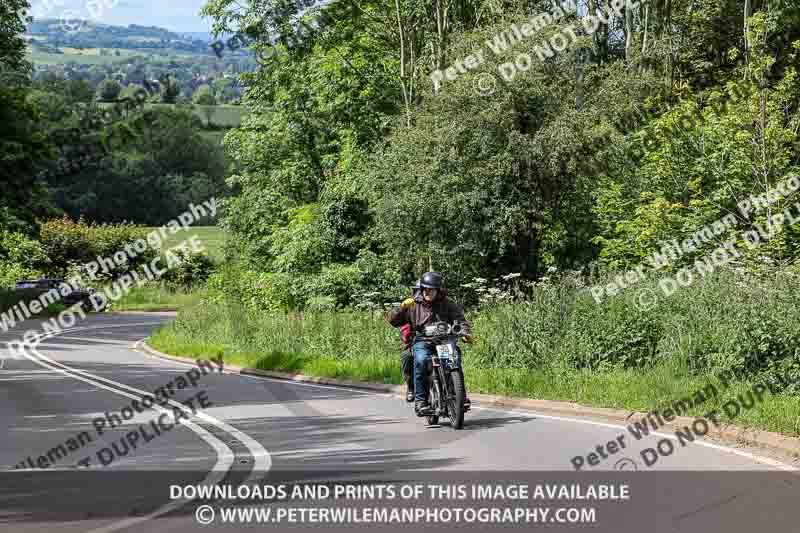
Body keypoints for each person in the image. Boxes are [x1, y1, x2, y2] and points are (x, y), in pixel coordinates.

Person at [387, 271, 472, 416]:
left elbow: (461, 320)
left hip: (444, 340)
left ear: (437, 290)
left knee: (454, 360)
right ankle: (421, 402)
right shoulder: (413, 304)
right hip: (423, 341)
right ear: (421, 289)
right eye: (425, 288)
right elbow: (393, 321)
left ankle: (460, 397)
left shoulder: (446, 304)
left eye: (431, 289)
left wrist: (465, 333)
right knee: (420, 360)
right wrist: (401, 308)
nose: (428, 292)